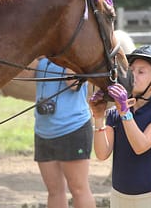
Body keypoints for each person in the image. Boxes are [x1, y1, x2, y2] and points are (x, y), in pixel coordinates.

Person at [89, 45, 151, 208]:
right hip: (119, 197)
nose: (132, 75)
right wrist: (99, 117)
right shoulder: (115, 114)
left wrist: (124, 112)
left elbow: (140, 145)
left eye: (141, 72)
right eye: (131, 70)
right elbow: (102, 154)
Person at [30, 57, 96, 208]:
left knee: (78, 189)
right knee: (54, 191)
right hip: (43, 130)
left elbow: (72, 84)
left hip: (73, 128)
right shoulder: (43, 55)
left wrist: (63, 52)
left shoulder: (73, 53)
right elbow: (25, 71)